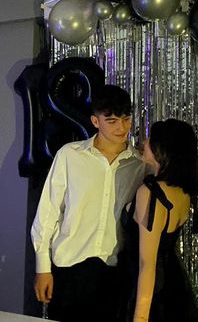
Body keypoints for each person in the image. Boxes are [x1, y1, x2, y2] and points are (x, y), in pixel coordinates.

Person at [31, 84, 150, 322]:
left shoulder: (139, 164)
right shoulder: (70, 155)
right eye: (113, 121)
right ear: (96, 121)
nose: (122, 127)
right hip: (70, 267)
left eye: (126, 119)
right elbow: (49, 211)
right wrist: (42, 266)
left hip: (114, 269)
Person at [121, 118, 198, 322]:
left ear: (163, 149)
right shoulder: (182, 190)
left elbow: (147, 263)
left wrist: (140, 317)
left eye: (150, 139)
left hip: (150, 290)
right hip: (172, 284)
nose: (144, 142)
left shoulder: (151, 193)